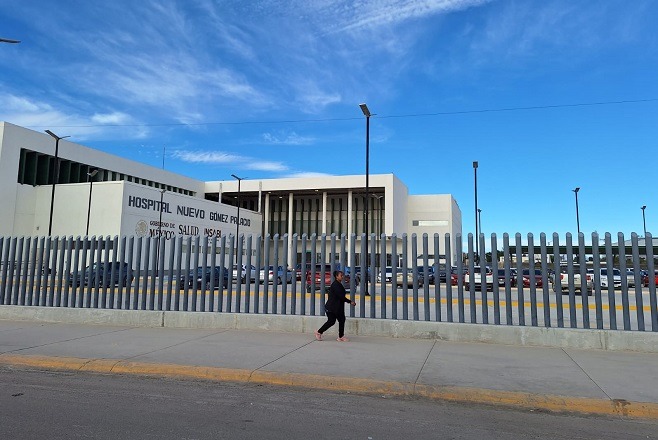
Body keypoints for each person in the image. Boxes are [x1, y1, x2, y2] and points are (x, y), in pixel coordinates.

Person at [315, 270, 356, 342]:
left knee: (340, 320)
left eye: (343, 275)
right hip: (332, 307)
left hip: (336, 307)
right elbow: (341, 296)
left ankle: (340, 336)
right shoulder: (335, 285)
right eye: (341, 275)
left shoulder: (338, 284)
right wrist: (350, 302)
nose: (342, 277)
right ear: (336, 277)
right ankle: (319, 332)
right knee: (332, 321)